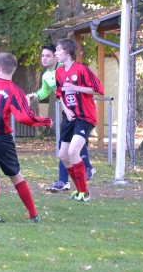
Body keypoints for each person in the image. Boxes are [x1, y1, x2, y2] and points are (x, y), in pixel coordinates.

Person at [0, 52, 51, 223]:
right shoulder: (14, 90)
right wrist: (43, 121)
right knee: (16, 177)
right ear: (13, 70)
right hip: (1, 139)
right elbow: (23, 117)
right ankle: (33, 215)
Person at [27, 44, 94, 192]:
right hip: (67, 112)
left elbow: (88, 87)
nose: (44, 58)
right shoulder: (46, 75)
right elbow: (45, 91)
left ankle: (84, 170)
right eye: (42, 56)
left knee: (72, 145)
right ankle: (66, 180)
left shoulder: (64, 69)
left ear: (56, 57)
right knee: (64, 148)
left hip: (79, 111)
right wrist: (35, 96)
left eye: (48, 55)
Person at [54, 37, 104, 202]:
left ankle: (84, 193)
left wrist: (76, 87)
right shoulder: (59, 72)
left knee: (73, 151)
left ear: (68, 52)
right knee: (63, 155)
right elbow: (60, 94)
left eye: (58, 50)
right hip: (70, 117)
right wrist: (66, 110)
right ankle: (80, 190)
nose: (56, 53)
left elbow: (98, 89)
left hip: (85, 116)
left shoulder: (81, 69)